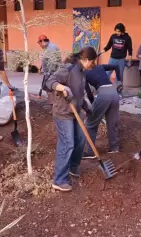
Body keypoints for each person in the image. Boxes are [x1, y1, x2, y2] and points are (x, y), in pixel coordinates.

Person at [44, 46, 95, 192]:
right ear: (86, 60)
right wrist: (62, 88)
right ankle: (59, 180)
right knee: (68, 143)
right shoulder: (68, 68)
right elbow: (50, 81)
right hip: (63, 112)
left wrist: (87, 107)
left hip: (75, 111)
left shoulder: (82, 72)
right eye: (92, 62)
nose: (92, 65)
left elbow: (79, 94)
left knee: (80, 139)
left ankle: (73, 166)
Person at [83, 62, 123, 158]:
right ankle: (114, 147)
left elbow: (88, 93)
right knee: (112, 122)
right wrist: (120, 82)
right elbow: (116, 65)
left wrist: (93, 108)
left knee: (90, 123)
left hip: (104, 94)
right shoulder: (100, 66)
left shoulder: (84, 73)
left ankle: (90, 151)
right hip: (114, 92)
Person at [100, 23, 133, 87]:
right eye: (116, 31)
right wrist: (101, 52)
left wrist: (129, 61)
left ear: (122, 31)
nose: (117, 32)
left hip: (121, 60)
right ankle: (103, 88)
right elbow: (108, 46)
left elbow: (130, 50)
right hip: (112, 59)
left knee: (119, 76)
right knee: (107, 73)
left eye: (119, 31)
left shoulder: (127, 38)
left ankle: (118, 91)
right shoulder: (113, 36)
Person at [38, 34, 61, 104]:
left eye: (39, 43)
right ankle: (53, 103)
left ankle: (53, 104)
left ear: (42, 41)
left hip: (53, 72)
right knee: (48, 87)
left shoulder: (51, 48)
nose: (40, 46)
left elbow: (53, 62)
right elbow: (45, 59)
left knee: (50, 87)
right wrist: (41, 68)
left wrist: (49, 73)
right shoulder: (47, 48)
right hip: (50, 71)